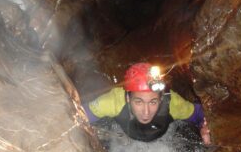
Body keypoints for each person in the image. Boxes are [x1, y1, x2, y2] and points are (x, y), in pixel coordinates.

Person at [83, 62, 211, 145]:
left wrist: (204, 128)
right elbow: (79, 115)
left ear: (161, 99)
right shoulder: (113, 101)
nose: (146, 112)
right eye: (138, 102)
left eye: (153, 102)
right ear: (128, 98)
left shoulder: (172, 103)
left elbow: (200, 114)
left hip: (162, 142)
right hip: (124, 138)